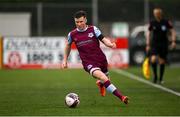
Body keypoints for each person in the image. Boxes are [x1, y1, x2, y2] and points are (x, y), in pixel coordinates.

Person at [62, 10, 129, 104]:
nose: (79, 24)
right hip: (88, 63)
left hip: (101, 59)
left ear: (85, 20)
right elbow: (68, 45)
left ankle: (101, 84)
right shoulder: (72, 34)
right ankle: (122, 97)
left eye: (81, 21)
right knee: (103, 78)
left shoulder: (93, 29)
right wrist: (65, 60)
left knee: (106, 80)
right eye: (77, 22)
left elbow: (103, 39)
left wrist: (110, 44)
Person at [146, 8, 176, 84]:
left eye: (157, 13)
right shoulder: (152, 22)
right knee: (153, 59)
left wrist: (173, 41)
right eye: (154, 13)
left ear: (160, 14)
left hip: (163, 44)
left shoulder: (166, 22)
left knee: (162, 61)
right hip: (154, 44)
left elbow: (172, 31)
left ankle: (161, 78)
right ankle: (155, 76)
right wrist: (148, 44)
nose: (155, 15)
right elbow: (148, 33)